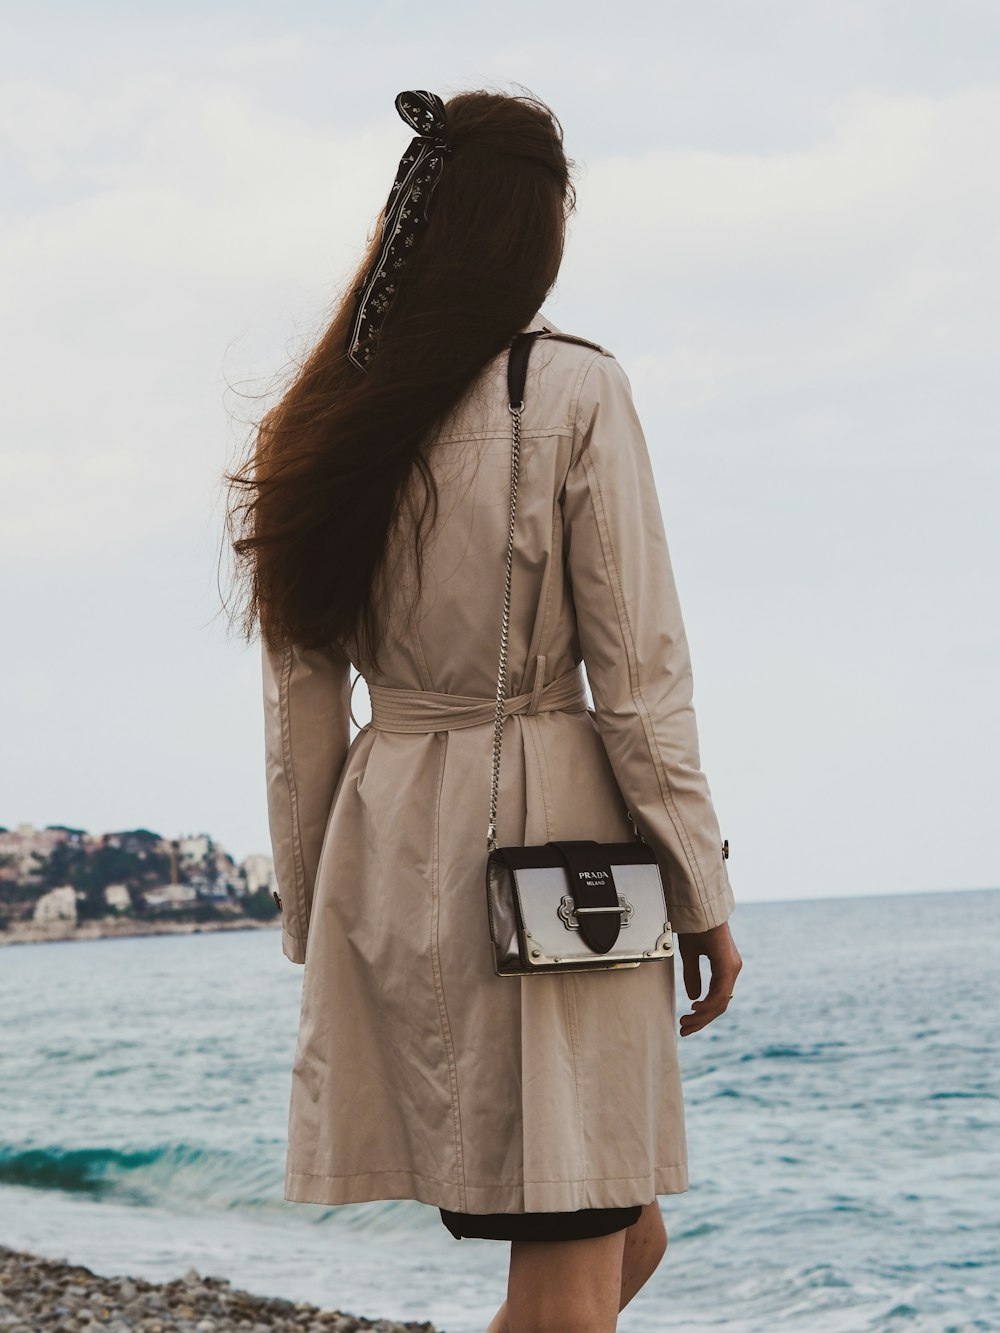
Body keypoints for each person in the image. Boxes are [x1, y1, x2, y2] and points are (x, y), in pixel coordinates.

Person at [225, 88, 742, 1333]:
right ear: (534, 234)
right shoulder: (568, 389)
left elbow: (299, 715)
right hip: (556, 857)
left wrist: (318, 910)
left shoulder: (322, 421)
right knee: (576, 1257)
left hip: (392, 848)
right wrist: (700, 890)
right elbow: (638, 682)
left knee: (624, 1226)